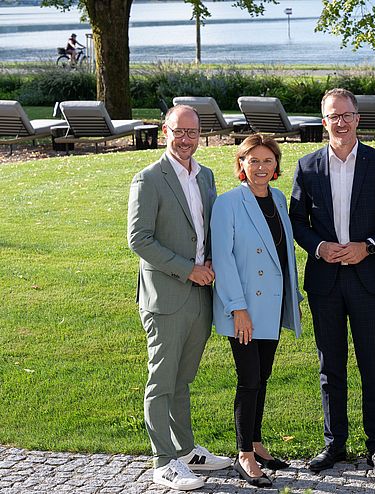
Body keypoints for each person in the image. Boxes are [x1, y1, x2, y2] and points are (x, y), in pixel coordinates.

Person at [289, 88, 375, 477]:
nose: (340, 122)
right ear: (323, 121)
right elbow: (296, 223)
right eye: (333, 116)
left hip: (369, 279)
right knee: (331, 366)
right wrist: (319, 246)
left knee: (373, 363)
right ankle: (334, 443)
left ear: (358, 118)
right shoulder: (307, 167)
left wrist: (370, 246)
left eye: (347, 115)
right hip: (325, 281)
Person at [127, 105, 230, 491]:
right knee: (162, 380)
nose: (186, 139)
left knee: (183, 378)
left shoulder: (206, 176)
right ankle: (162, 461)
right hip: (166, 295)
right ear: (164, 132)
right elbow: (139, 239)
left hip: (201, 294)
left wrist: (210, 262)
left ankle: (186, 452)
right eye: (179, 132)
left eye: (192, 132)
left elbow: (206, 228)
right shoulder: (148, 179)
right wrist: (187, 268)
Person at [210, 134, 303, 488]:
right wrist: (238, 309)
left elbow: (284, 255)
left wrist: (291, 296)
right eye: (254, 161)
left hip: (272, 304)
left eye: (268, 161)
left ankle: (258, 442)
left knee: (262, 377)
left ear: (276, 166)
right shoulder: (228, 203)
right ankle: (244, 454)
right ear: (241, 165)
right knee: (248, 380)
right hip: (245, 308)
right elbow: (224, 259)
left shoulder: (279, 199)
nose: (261, 167)